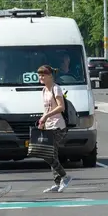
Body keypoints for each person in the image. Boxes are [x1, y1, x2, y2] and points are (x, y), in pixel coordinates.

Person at [37, 65, 72, 193]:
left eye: (43, 75)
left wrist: (47, 115)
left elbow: (61, 107)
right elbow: (46, 109)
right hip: (48, 125)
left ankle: (64, 176)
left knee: (49, 153)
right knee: (50, 154)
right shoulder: (43, 90)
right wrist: (43, 120)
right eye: (39, 75)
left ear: (50, 76)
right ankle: (58, 182)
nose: (41, 77)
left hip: (58, 125)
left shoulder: (56, 89)